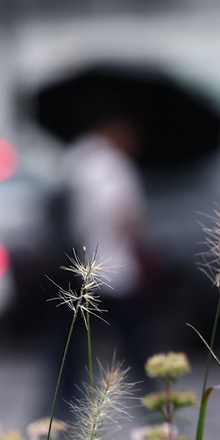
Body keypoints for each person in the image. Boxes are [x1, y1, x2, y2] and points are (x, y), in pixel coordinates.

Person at [50, 113, 151, 418]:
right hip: (113, 267)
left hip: (74, 264)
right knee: (134, 344)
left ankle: (62, 412)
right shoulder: (112, 166)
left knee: (69, 349)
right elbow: (123, 215)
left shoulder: (76, 158)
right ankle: (155, 405)